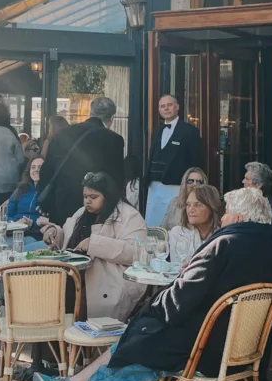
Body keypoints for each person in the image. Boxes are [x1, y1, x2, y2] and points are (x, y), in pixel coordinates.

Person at [31, 186, 272, 381]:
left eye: (228, 211)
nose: (224, 217)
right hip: (238, 350)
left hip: (201, 347)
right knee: (138, 337)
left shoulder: (224, 245)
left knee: (140, 344)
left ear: (239, 218)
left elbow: (179, 299)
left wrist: (151, 308)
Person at [39, 171, 148, 322]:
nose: (87, 202)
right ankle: (57, 343)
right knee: (42, 298)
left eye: (93, 197)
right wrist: (54, 232)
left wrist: (94, 244)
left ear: (107, 196)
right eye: (85, 197)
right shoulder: (81, 213)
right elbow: (67, 237)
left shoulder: (129, 216)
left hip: (106, 280)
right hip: (71, 276)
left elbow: (137, 253)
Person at [38, 98, 124, 226]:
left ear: (90, 112)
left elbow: (46, 171)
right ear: (111, 119)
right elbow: (115, 179)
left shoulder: (63, 134)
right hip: (94, 209)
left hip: (61, 203)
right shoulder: (113, 139)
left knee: (63, 243)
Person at [144, 95, 202, 227]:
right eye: (162, 106)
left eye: (169, 105)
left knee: (174, 222)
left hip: (176, 186)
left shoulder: (190, 131)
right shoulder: (157, 130)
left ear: (177, 107)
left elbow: (195, 160)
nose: (166, 108)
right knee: (153, 221)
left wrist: (191, 185)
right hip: (154, 186)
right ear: (159, 110)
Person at [169, 184, 222, 266]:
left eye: (197, 204)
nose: (190, 210)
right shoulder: (178, 233)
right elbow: (177, 267)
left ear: (211, 207)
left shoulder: (222, 236)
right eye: (188, 204)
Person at [7, 157, 46, 250]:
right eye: (33, 167)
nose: (36, 170)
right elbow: (7, 215)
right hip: (15, 232)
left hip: (36, 235)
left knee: (17, 248)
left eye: (40, 167)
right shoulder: (21, 189)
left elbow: (52, 221)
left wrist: (32, 223)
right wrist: (15, 223)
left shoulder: (49, 192)